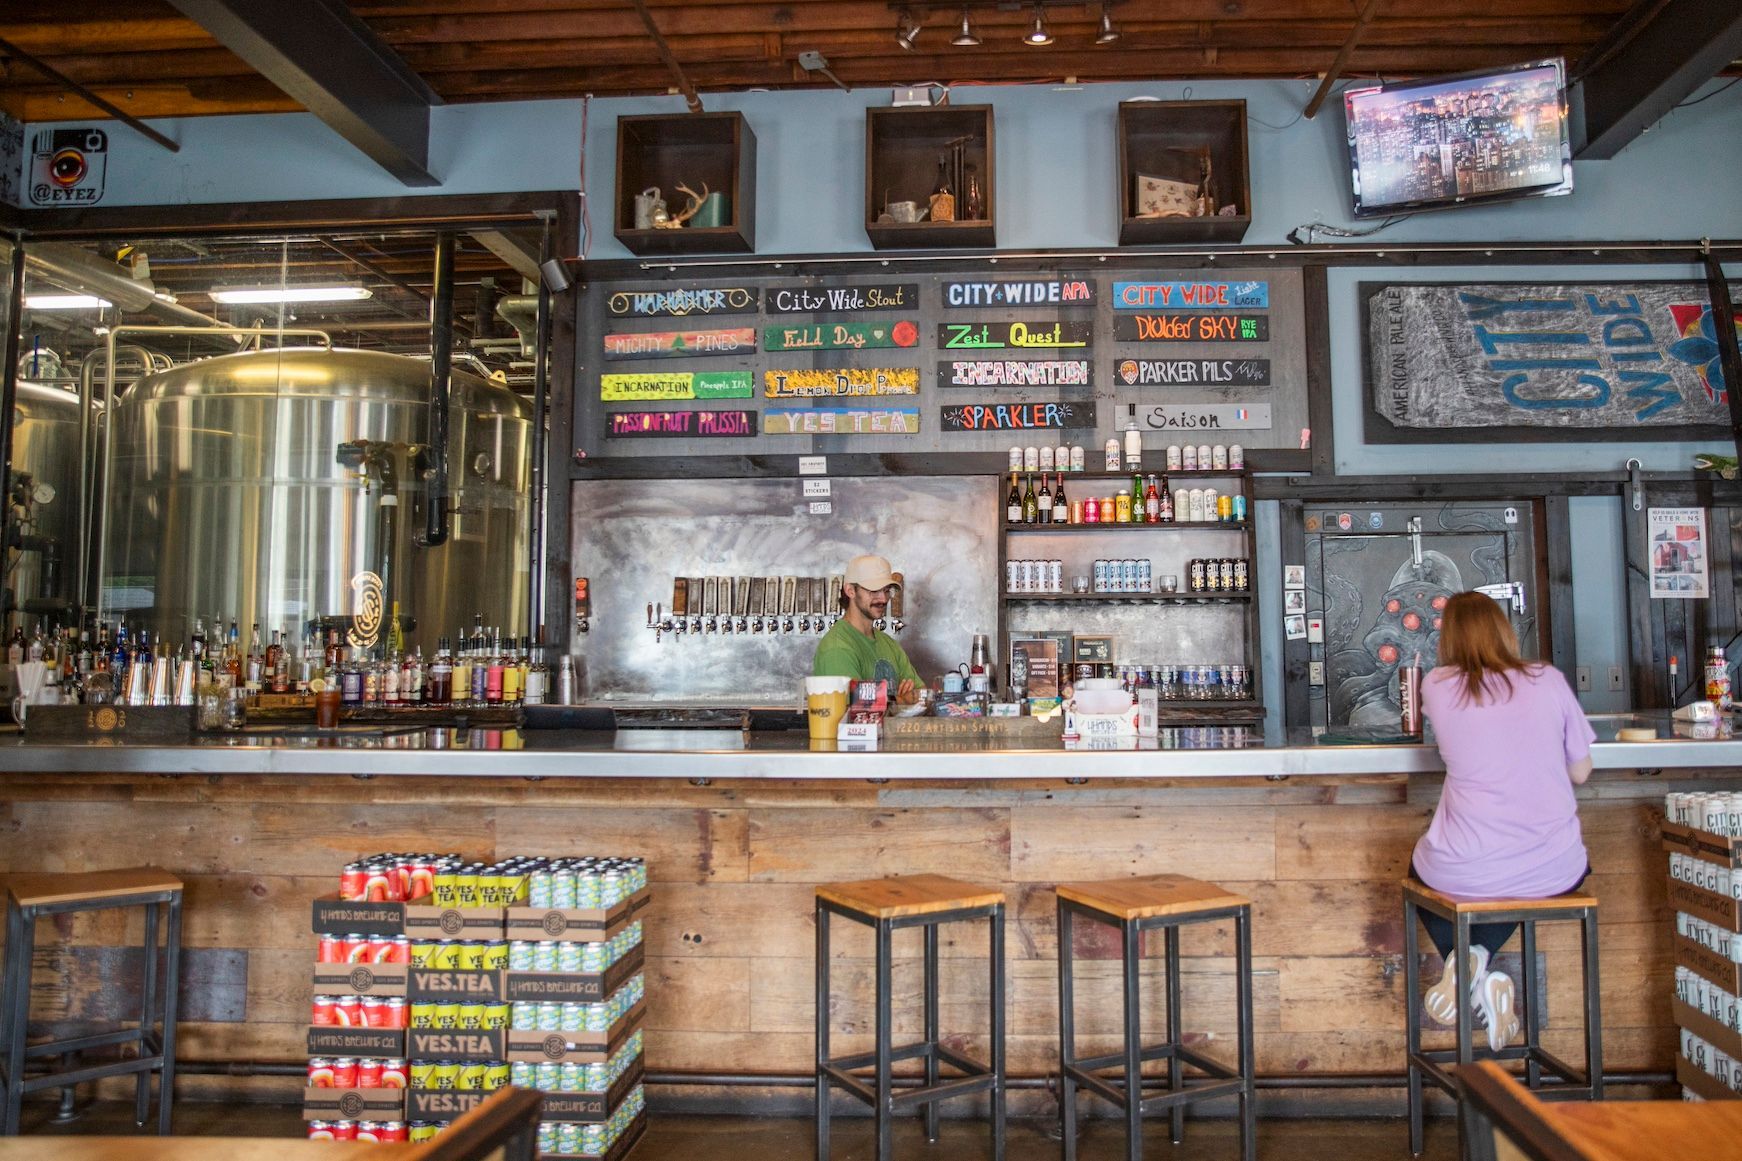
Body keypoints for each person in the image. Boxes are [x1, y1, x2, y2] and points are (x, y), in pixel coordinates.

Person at [1411, 591, 1594, 1052]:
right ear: (1505, 630)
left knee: (1424, 874)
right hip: (1553, 867)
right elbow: (1581, 771)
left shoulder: (1434, 685)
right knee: (1523, 880)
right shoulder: (1548, 680)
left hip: (1463, 867)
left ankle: (1468, 961)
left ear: (1448, 637)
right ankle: (1477, 964)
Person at [812, 554, 920, 703]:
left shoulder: (889, 644)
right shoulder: (837, 649)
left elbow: (920, 694)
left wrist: (898, 699)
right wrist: (901, 700)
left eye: (887, 590)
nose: (883, 599)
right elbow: (857, 709)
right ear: (850, 590)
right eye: (873, 590)